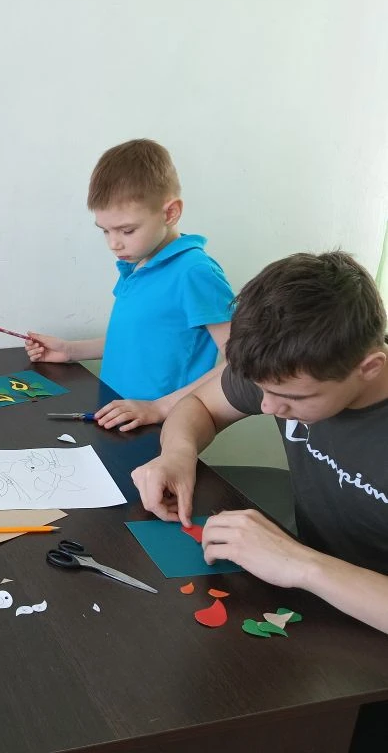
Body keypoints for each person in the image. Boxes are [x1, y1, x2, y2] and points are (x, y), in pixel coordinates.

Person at [132, 251, 388, 636]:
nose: (267, 407)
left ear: (369, 368)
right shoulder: (286, 366)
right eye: (261, 390)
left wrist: (301, 563)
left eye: (292, 398)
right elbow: (200, 405)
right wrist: (178, 454)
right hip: (316, 608)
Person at [26, 139, 234, 431]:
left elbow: (242, 362)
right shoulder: (137, 263)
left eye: (126, 230)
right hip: (118, 416)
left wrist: (160, 407)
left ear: (170, 212)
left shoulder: (195, 272)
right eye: (105, 231)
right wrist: (70, 350)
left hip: (162, 427)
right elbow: (135, 339)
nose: (114, 243)